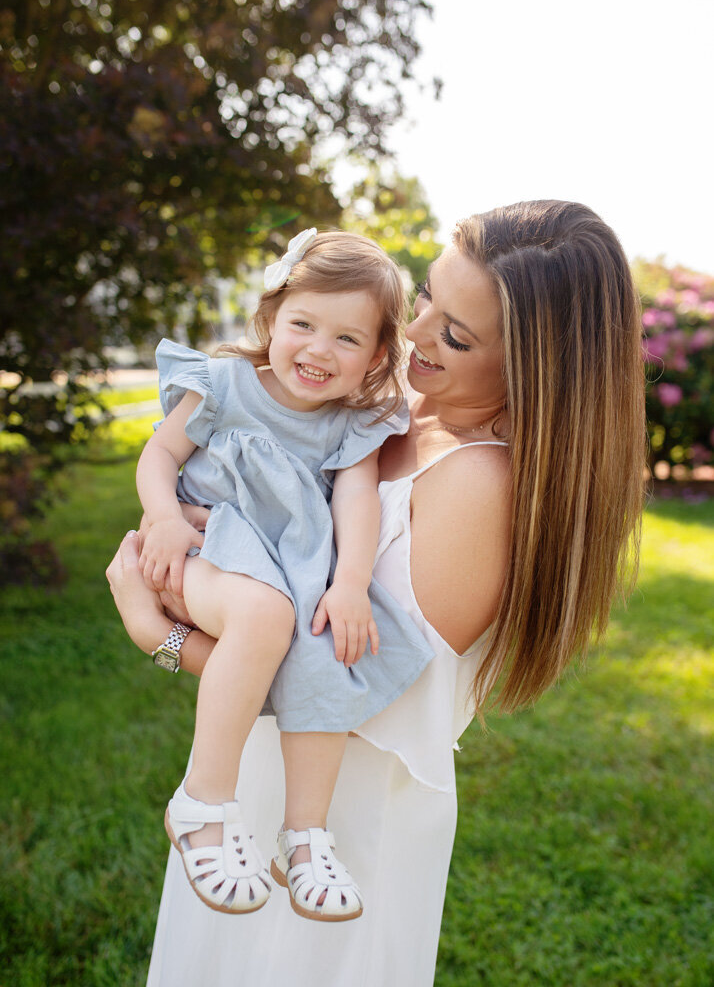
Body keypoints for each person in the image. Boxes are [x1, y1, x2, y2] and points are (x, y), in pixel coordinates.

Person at [107, 200, 646, 986]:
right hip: (255, 792)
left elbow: (372, 697)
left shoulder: (475, 484)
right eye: (427, 296)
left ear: (533, 368)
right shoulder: (380, 408)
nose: (416, 334)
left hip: (349, 827)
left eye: (456, 336)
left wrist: (159, 634)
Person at [133, 229, 437, 922]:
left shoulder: (352, 419)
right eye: (303, 324)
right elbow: (159, 456)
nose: (317, 351)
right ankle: (203, 801)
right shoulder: (224, 384)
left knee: (327, 643)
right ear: (272, 318)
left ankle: (303, 836)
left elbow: (354, 497)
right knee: (266, 617)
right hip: (211, 547)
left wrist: (351, 580)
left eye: (346, 339)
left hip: (294, 565)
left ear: (378, 356)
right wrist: (164, 517)